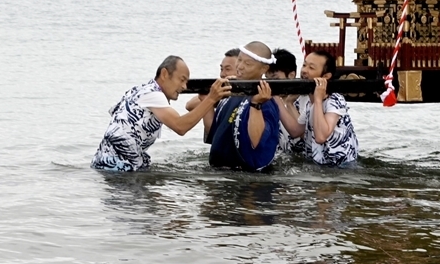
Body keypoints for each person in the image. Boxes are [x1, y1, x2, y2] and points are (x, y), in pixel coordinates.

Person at [92, 55, 231, 172]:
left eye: (187, 82)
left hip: (110, 164)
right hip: (116, 168)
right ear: (164, 74)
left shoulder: (140, 90)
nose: (184, 87)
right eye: (181, 80)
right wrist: (211, 99)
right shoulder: (153, 95)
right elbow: (180, 126)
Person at [205, 42, 281, 171]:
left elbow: (256, 142)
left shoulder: (266, 101)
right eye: (239, 60)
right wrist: (209, 98)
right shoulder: (230, 93)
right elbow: (215, 133)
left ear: (264, 69)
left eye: (248, 64)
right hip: (219, 171)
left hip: (250, 179)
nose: (240, 66)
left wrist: (256, 104)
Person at [278, 50, 359, 166]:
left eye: (311, 68)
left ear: (326, 76)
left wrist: (317, 99)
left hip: (340, 168)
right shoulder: (309, 102)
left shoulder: (335, 99)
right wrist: (279, 99)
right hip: (320, 166)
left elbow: (321, 136)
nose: (304, 71)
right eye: (304, 65)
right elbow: (297, 131)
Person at [265, 48, 305, 155]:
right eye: (267, 78)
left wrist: (289, 104)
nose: (269, 83)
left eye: (275, 78)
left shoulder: (303, 100)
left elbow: (305, 135)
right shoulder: (266, 99)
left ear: (291, 75)